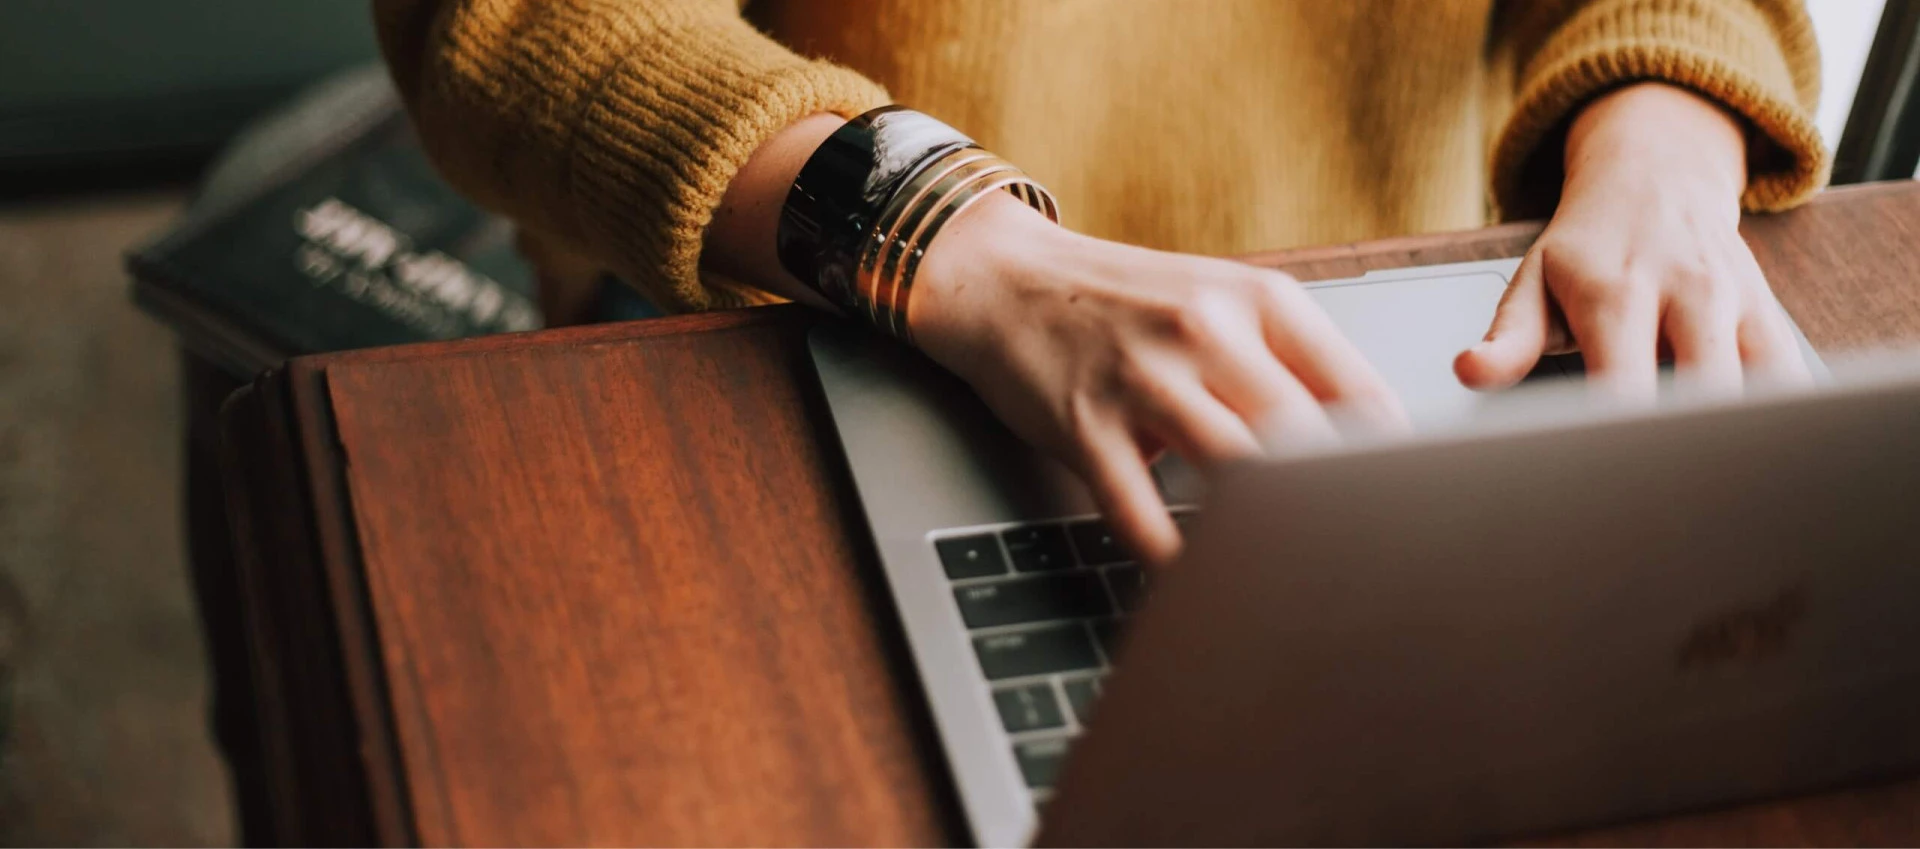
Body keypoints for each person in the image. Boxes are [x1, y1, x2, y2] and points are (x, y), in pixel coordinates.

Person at [373, 0, 1829, 564]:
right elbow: (500, 22)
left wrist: (1661, 140)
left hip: (1393, 351)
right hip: (805, 316)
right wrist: (960, 243)